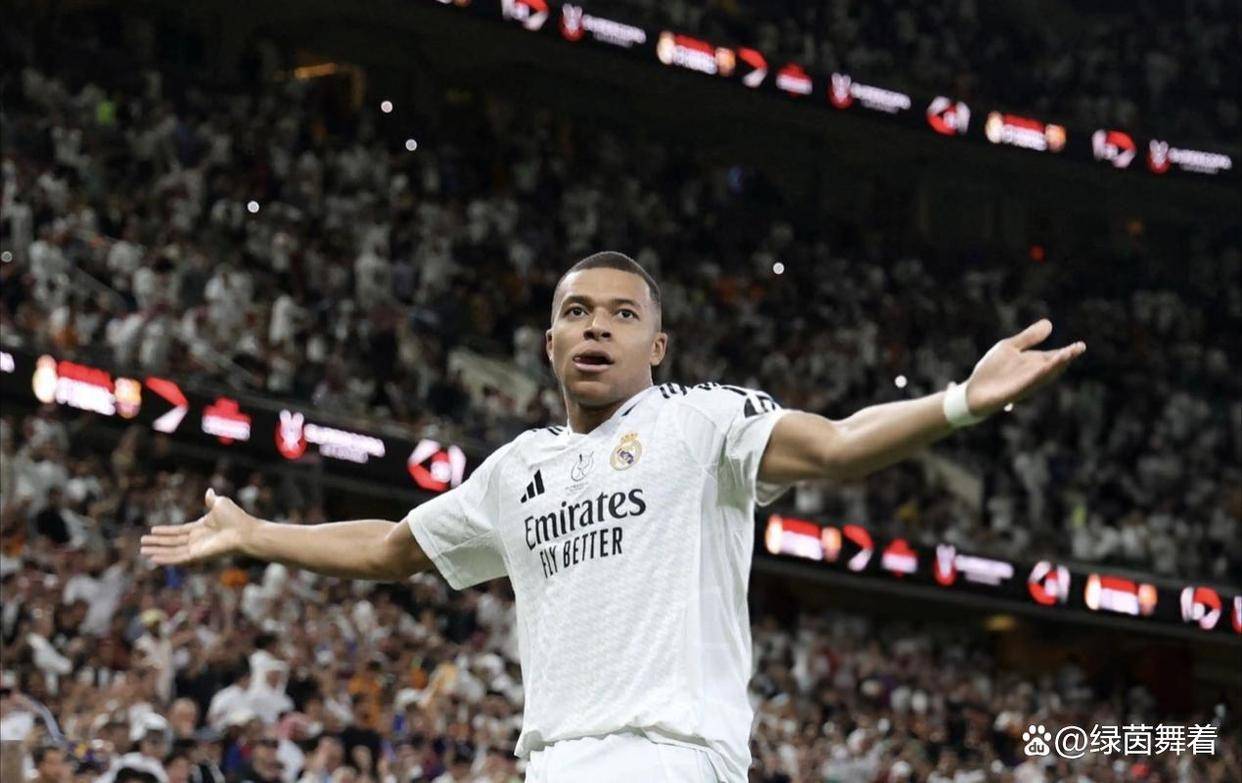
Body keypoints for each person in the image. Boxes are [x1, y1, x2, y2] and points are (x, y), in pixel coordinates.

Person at [141, 252, 1086, 782]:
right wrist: (257, 533)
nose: (598, 325)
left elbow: (838, 444)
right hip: (554, 761)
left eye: (623, 314)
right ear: (550, 340)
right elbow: (393, 547)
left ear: (658, 344)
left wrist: (961, 401)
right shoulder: (517, 470)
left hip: (665, 757)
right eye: (578, 311)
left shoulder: (701, 421)